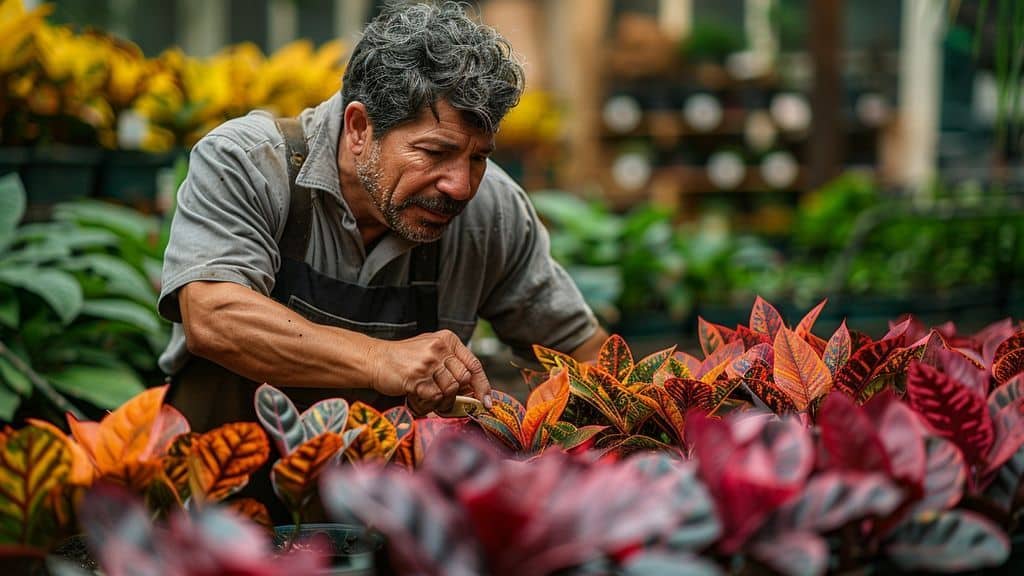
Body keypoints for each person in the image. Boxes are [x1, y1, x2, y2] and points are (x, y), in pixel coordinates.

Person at [157, 0, 606, 431]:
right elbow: (214, 317)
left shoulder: (493, 213)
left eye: (477, 158)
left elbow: (583, 351)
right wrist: (380, 359)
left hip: (377, 498)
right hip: (223, 487)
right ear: (359, 128)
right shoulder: (250, 162)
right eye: (435, 152)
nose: (461, 186)